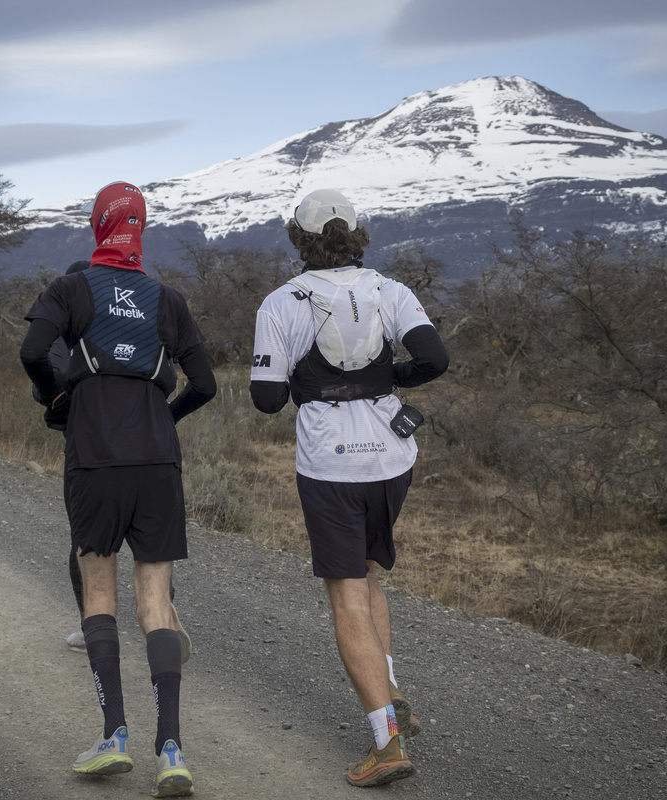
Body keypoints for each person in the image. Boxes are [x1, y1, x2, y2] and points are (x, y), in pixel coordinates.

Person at [20, 181, 215, 797]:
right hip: (158, 462)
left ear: (98, 225)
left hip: (95, 459)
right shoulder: (168, 299)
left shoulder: (71, 288)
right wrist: (164, 419)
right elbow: (206, 384)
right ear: (142, 228)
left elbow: (33, 350)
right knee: (156, 602)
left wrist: (59, 398)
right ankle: (173, 752)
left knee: (98, 593)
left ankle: (114, 737)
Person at [249, 189, 449, 787]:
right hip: (393, 456)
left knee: (345, 596)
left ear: (299, 239)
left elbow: (266, 398)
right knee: (364, 572)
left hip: (330, 463)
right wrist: (387, 377)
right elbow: (435, 360)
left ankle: (386, 744)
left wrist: (303, 383)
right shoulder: (391, 290)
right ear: (358, 234)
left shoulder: (282, 302)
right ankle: (391, 692)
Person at [44, 260, 193, 664]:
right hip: (150, 443)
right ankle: (163, 615)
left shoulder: (66, 319)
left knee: (86, 543)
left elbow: (46, 371)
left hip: (91, 449)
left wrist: (61, 405)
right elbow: (191, 376)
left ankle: (91, 627)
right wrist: (165, 417)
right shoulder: (137, 312)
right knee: (153, 549)